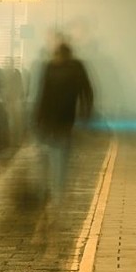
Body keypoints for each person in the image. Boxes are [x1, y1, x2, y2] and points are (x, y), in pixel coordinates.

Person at [34, 40, 94, 205]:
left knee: (48, 154)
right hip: (63, 119)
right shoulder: (75, 68)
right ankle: (56, 191)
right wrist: (86, 113)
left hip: (51, 119)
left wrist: (37, 117)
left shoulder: (53, 68)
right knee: (60, 155)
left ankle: (48, 190)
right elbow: (87, 92)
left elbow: (42, 93)